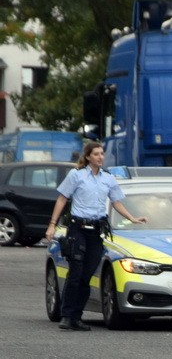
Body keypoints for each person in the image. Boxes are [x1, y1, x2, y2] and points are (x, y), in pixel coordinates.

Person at [43, 142, 147, 331]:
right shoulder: (77, 175)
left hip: (96, 231)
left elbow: (116, 202)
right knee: (75, 273)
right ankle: (66, 316)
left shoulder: (108, 178)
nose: (100, 157)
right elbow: (62, 198)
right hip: (78, 229)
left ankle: (77, 316)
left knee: (87, 275)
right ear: (88, 156)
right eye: (96, 154)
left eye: (102, 154)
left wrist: (132, 218)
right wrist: (52, 225)